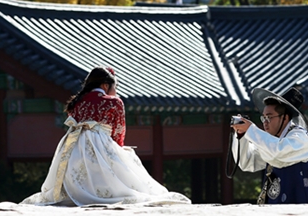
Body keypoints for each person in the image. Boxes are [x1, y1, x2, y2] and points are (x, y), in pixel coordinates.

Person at [22, 66, 190, 206]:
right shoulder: (113, 102)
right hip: (99, 140)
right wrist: (118, 149)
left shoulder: (77, 102)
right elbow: (118, 130)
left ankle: (76, 194)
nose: (115, 90)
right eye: (114, 86)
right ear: (104, 85)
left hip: (72, 143)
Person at [230, 87, 308, 205]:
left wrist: (251, 130)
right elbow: (248, 162)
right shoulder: (271, 143)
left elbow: (279, 152)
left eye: (269, 117)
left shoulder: (300, 137)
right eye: (263, 117)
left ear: (285, 118)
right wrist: (242, 137)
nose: (265, 122)